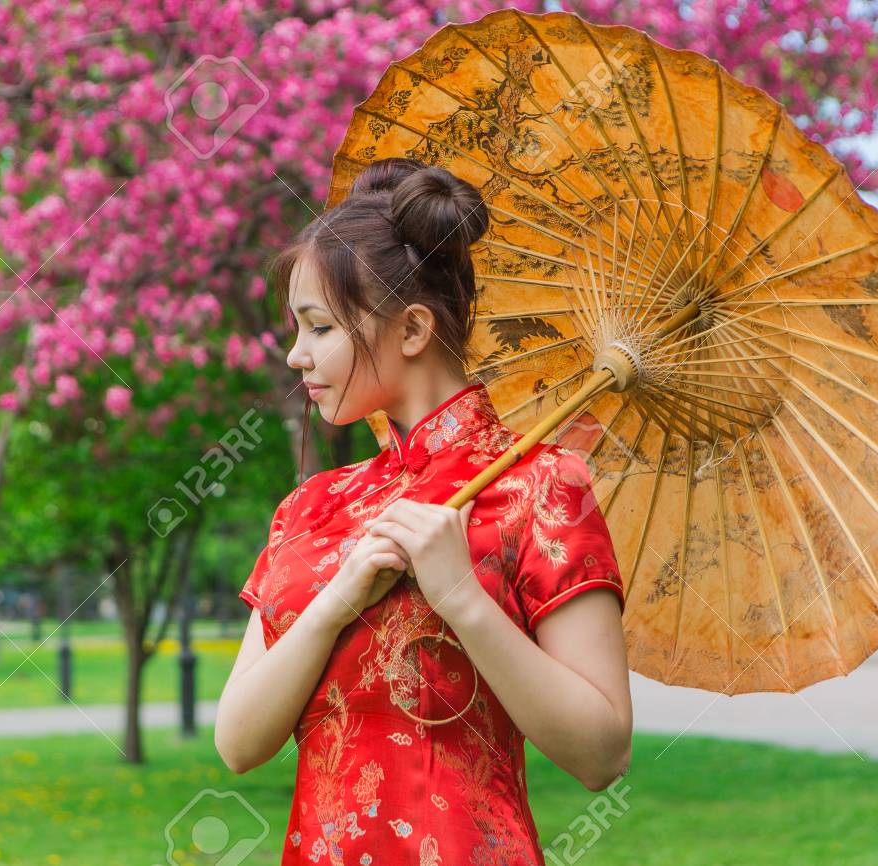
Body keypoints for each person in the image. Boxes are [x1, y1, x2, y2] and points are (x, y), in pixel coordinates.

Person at [215, 157, 631, 865]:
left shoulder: (544, 486)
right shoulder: (311, 506)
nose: (294, 355)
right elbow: (237, 745)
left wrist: (461, 597)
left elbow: (602, 753)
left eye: (318, 328)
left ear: (410, 330)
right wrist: (337, 600)